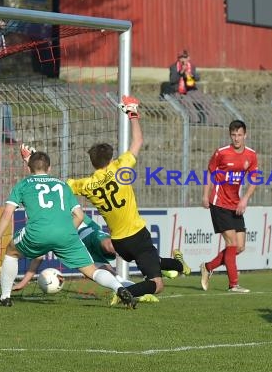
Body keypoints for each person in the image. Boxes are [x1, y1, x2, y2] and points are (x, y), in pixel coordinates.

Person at [66, 95, 191, 303]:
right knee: (158, 284)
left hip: (119, 243)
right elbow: (138, 141)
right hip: (137, 234)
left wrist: (33, 166)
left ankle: (180, 265)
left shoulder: (86, 184)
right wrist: (132, 113)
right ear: (110, 158)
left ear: (93, 162)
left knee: (153, 260)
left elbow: (61, 186)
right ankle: (125, 293)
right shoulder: (120, 168)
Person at [0, 149, 136, 308]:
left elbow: (7, 214)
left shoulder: (22, 185)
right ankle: (119, 288)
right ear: (50, 168)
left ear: (28, 168)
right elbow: (79, 215)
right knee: (91, 270)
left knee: (12, 251)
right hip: (67, 234)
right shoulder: (62, 185)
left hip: (37, 233)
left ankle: (5, 297)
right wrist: (65, 232)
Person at [12, 214, 160, 303]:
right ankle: (139, 293)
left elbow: (79, 214)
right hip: (76, 245)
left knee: (109, 246)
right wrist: (24, 281)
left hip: (88, 234)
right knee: (107, 273)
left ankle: (155, 262)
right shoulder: (43, 220)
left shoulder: (62, 203)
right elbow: (38, 256)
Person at [200, 120, 258, 293]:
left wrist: (245, 198)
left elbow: (254, 179)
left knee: (239, 247)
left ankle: (208, 266)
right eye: (233, 135)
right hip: (218, 202)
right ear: (230, 135)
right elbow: (210, 172)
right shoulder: (222, 153)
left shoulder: (251, 155)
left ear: (245, 135)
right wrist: (205, 194)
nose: (236, 138)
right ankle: (234, 284)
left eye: (239, 135)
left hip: (236, 204)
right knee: (231, 243)